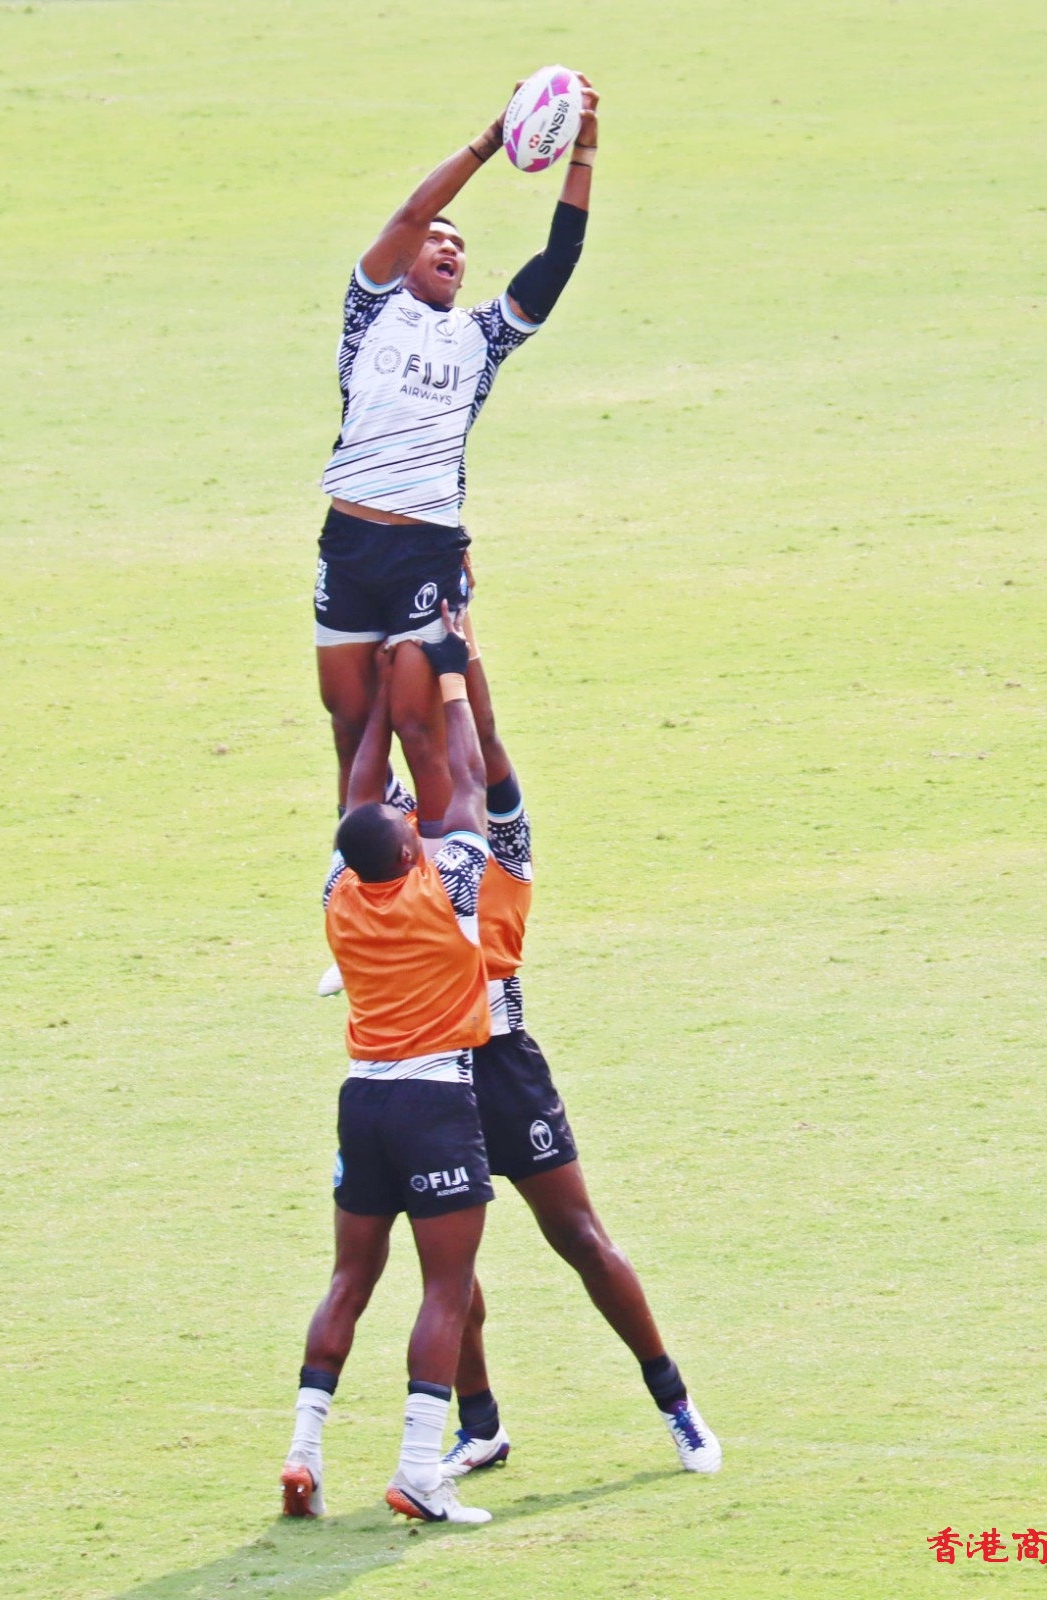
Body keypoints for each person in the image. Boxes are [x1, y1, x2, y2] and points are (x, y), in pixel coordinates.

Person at [368, 616, 723, 1476]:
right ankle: (480, 1425)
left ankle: (676, 1403)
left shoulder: (498, 830)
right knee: (446, 1266)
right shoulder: (400, 826)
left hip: (499, 1061)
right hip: (426, 1071)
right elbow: (371, 766)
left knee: (579, 1235)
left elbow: (482, 740)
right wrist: (381, 669)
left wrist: (462, 653)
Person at [313, 73, 599, 999]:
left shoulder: (482, 339)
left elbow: (558, 260)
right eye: (437, 239)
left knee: (418, 726)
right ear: (403, 260)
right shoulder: (369, 310)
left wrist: (582, 153)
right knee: (348, 724)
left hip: (425, 554)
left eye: (461, 245)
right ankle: (365, 908)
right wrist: (488, 140)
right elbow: (409, 211)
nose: (448, 245)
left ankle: (452, 909)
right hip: (346, 547)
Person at [280, 608, 500, 1525]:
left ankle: (302, 1452)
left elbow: (358, 804)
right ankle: (418, 1471)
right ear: (410, 849)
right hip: (435, 1101)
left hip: (361, 1103)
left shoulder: (340, 895)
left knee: (348, 1280)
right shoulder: (450, 887)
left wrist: (373, 703)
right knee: (445, 1288)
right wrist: (449, 675)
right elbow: (470, 779)